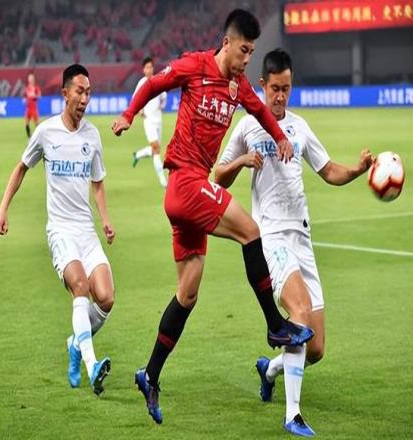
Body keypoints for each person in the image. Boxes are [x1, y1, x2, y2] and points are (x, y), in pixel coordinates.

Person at [112, 10, 314, 424]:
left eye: (252, 52)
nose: (247, 59)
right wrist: (129, 114)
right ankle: (275, 325)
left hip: (191, 192)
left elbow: (260, 112)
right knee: (250, 231)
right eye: (244, 51)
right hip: (185, 183)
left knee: (187, 293)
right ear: (227, 43)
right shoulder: (195, 66)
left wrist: (280, 137)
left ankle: (150, 374)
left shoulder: (238, 86)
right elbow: (153, 84)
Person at [216, 49, 372, 437]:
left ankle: (269, 370)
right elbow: (218, 175)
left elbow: (328, 170)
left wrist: (357, 169)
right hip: (270, 238)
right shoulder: (248, 127)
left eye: (286, 88)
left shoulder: (299, 127)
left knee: (315, 348)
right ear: (262, 86)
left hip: (302, 237)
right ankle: (293, 414)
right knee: (298, 311)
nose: (281, 96)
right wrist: (242, 162)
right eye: (275, 88)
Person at [0, 64, 115, 395]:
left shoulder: (92, 136)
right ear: (65, 93)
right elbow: (21, 168)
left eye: (88, 93)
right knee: (80, 287)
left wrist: (105, 220)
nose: (85, 99)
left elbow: (98, 182)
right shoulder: (46, 132)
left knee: (106, 298)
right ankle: (91, 364)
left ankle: (75, 344)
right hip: (60, 230)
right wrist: (3, 209)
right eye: (79, 92)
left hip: (86, 231)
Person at [131, 56, 168, 188]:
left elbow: (164, 97)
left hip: (158, 120)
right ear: (143, 69)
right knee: (156, 149)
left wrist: (161, 106)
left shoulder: (158, 80)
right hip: (148, 121)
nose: (149, 69)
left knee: (155, 149)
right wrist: (140, 110)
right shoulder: (141, 83)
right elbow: (135, 98)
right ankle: (163, 180)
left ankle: (138, 155)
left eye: (151, 67)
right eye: (147, 67)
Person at [24, 72, 41, 138]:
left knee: (37, 125)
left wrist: (35, 96)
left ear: (34, 79)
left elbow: (39, 96)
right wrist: (25, 99)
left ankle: (39, 137)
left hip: (34, 108)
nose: (30, 79)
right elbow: (27, 96)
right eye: (29, 78)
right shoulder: (27, 88)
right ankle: (29, 137)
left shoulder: (36, 88)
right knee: (26, 123)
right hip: (28, 108)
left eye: (31, 78)